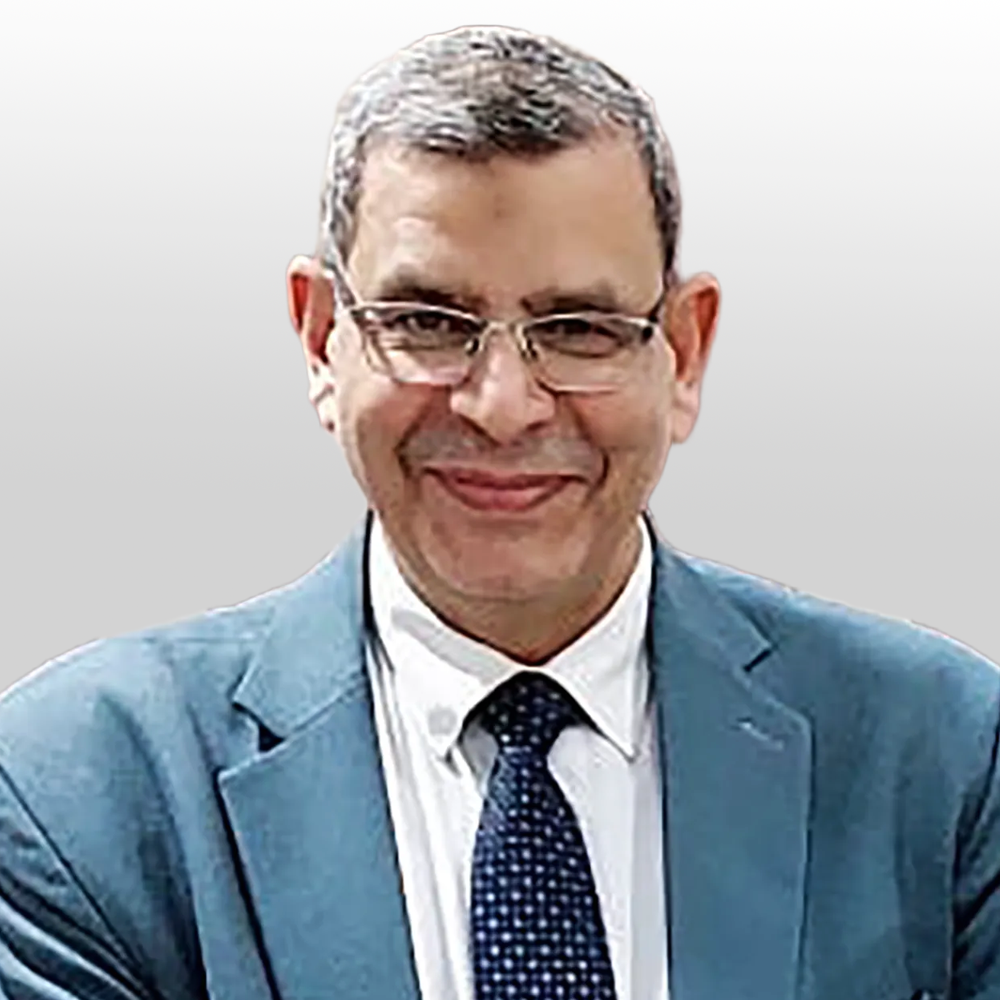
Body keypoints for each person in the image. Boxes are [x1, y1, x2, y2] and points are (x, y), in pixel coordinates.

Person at [0, 24, 996, 1000]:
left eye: (580, 328)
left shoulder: (942, 758)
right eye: (427, 322)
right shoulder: (87, 789)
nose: (502, 406)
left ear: (685, 354)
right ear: (320, 340)